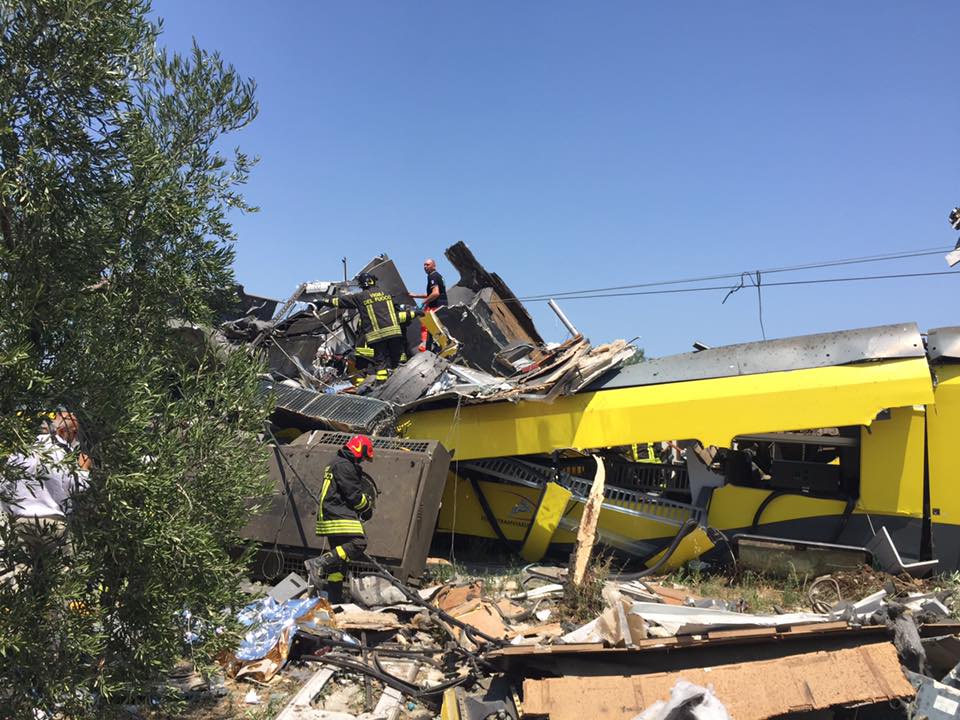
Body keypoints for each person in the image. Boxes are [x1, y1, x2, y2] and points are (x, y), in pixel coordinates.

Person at [303, 434, 377, 602]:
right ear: (359, 450)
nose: (362, 461)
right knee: (359, 543)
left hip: (330, 513)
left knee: (338, 566)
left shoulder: (335, 463)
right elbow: (354, 496)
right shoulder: (345, 466)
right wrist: (367, 508)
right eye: (363, 457)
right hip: (337, 513)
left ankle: (334, 600)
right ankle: (318, 563)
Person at [315, 273, 417, 382]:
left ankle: (382, 386)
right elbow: (399, 315)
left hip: (377, 337)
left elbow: (339, 301)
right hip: (394, 334)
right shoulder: (387, 294)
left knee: (381, 365)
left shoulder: (360, 297)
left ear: (362, 285)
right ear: (373, 281)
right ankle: (402, 381)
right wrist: (415, 313)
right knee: (397, 361)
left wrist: (323, 301)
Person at [410, 258, 447, 352]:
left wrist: (423, 302)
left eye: (427, 265)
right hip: (442, 306)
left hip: (435, 306)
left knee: (426, 325)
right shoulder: (438, 276)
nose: (425, 267)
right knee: (437, 328)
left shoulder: (432, 276)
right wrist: (416, 295)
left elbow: (435, 293)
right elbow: (432, 293)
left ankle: (425, 347)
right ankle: (437, 346)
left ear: (434, 266)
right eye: (424, 265)